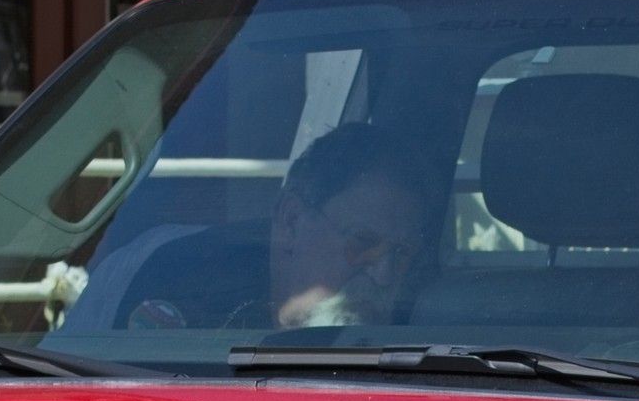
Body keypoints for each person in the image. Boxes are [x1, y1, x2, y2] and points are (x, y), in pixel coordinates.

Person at [120, 120, 440, 331]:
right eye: (364, 242)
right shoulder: (175, 293)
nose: (384, 276)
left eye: (401, 254)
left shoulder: (438, 351)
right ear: (292, 222)